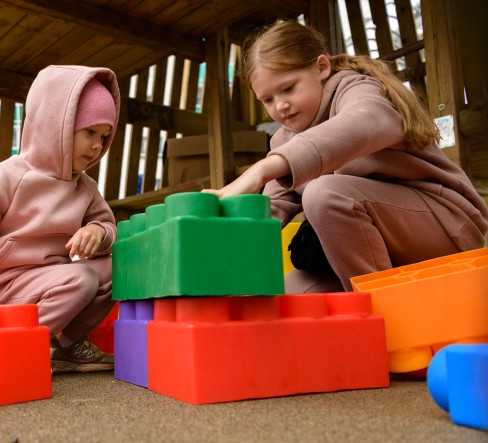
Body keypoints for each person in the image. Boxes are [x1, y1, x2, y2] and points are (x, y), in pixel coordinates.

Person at [203, 20, 488, 293]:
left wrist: (263, 169)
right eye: (267, 99)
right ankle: (367, 308)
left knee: (324, 194)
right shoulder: (284, 140)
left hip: (446, 226)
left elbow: (365, 122)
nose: (281, 106)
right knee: (289, 296)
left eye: (288, 88)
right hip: (378, 246)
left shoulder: (358, 90)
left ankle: (384, 315)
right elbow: (271, 210)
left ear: (322, 67)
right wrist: (218, 232)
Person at [0, 65, 120, 373]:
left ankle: (67, 345)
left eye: (104, 137)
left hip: (51, 282)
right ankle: (12, 345)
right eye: (90, 132)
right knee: (82, 279)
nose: (97, 146)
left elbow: (110, 228)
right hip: (1, 289)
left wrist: (97, 232)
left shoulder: (85, 187)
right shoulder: (10, 175)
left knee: (118, 267)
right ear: (56, 124)